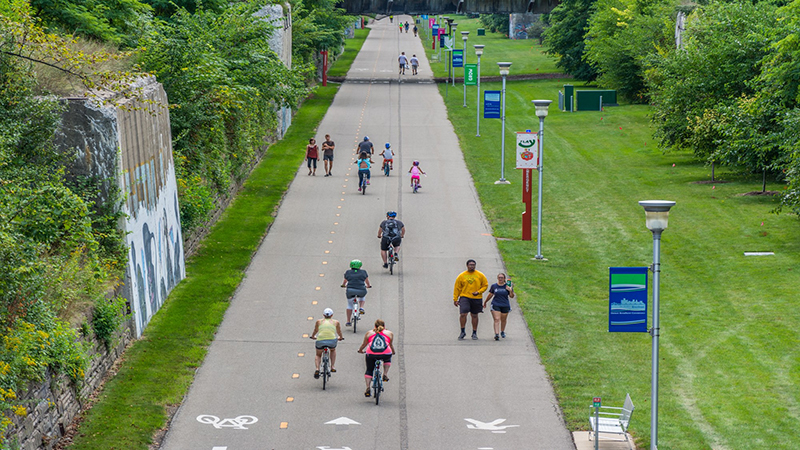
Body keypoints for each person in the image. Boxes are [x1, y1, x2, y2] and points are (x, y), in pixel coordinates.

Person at [357, 319, 395, 397]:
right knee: (387, 358)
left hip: (371, 353)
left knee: (369, 370)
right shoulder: (389, 333)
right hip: (385, 353)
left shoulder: (369, 333)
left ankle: (368, 387)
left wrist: (360, 350)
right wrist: (393, 352)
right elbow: (390, 345)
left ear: (374, 326)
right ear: (384, 326)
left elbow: (364, 344)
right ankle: (385, 374)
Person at [453, 259, 488, 340]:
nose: (472, 266)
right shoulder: (462, 276)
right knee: (463, 314)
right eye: (470, 265)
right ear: (467, 266)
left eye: (473, 265)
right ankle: (462, 331)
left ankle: (474, 332)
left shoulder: (480, 275)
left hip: (476, 298)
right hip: (465, 296)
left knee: (474, 315)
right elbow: (457, 288)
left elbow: (485, 285)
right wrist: (455, 298)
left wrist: (479, 292)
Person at [309, 308, 344, 378]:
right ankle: (332, 366)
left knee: (318, 355)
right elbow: (339, 331)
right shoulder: (336, 322)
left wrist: (313, 336)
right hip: (332, 340)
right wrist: (340, 337)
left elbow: (316, 330)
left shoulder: (319, 321)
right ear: (332, 315)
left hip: (320, 340)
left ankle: (317, 369)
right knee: (333, 350)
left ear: (323, 315)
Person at [483, 273, 515, 340]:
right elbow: (490, 294)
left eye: (502, 278)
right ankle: (496, 334)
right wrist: (485, 302)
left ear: (504, 279)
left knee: (503, 319)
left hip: (505, 305)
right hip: (496, 304)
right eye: (499, 277)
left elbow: (511, 296)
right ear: (497, 278)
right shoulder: (494, 286)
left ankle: (502, 331)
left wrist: (510, 290)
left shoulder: (507, 286)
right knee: (496, 319)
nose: (500, 279)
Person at [341, 259, 371, 325]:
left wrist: (343, 285)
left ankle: (348, 321)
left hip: (350, 290)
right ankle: (361, 307)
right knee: (362, 297)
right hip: (361, 290)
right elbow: (367, 281)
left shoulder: (348, 272)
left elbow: (345, 281)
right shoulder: (363, 272)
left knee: (349, 305)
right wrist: (368, 286)